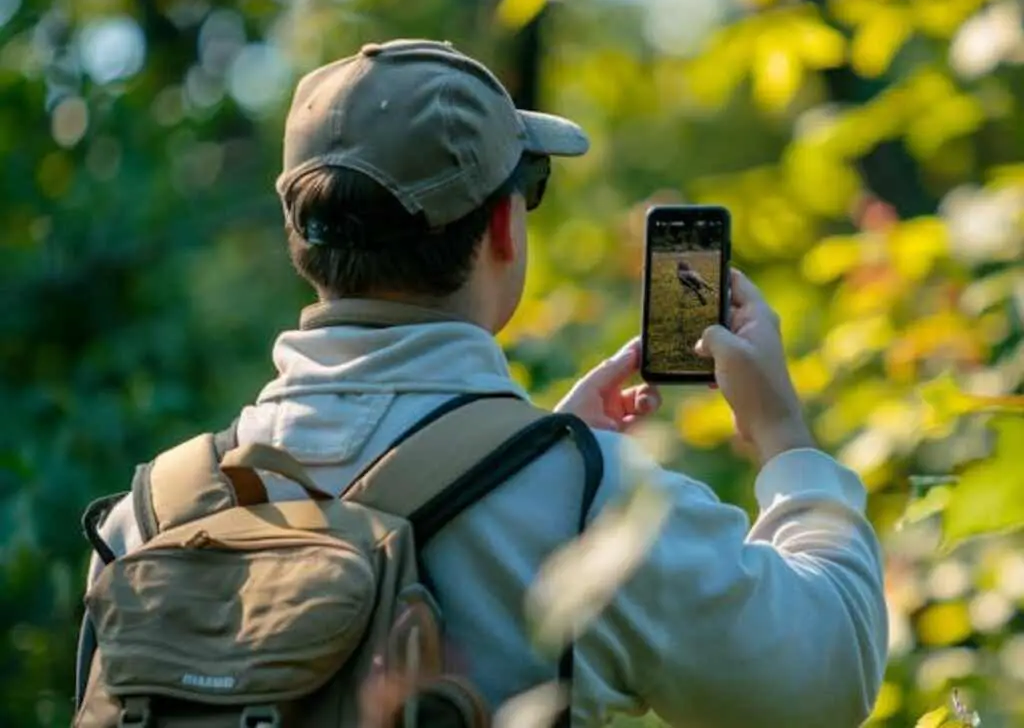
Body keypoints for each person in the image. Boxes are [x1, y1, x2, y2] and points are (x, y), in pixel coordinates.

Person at [83, 39, 887, 727]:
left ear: (303, 243)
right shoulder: (589, 505)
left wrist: (530, 448)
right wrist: (782, 435)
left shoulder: (147, 514)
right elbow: (828, 676)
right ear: (504, 224)